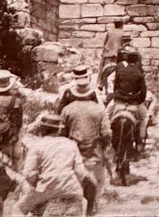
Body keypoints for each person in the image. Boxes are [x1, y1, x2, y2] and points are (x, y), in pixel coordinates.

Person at [16, 113, 94, 216]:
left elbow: (28, 173)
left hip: (47, 190)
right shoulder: (70, 144)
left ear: (42, 129)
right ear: (59, 130)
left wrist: (37, 183)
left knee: (17, 209)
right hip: (71, 190)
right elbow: (81, 172)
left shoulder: (37, 146)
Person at [61, 78, 111, 215]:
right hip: (94, 153)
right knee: (95, 183)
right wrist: (105, 149)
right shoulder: (100, 110)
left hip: (73, 153)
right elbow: (106, 133)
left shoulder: (67, 109)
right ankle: (91, 208)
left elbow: (61, 132)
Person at [106, 47, 148, 152]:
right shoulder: (139, 74)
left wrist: (119, 96)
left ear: (127, 61)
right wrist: (139, 101)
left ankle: (107, 134)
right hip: (134, 102)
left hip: (119, 101)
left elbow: (115, 87)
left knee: (106, 115)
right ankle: (139, 140)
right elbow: (143, 92)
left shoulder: (120, 71)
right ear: (137, 61)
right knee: (144, 118)